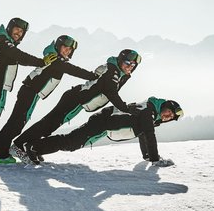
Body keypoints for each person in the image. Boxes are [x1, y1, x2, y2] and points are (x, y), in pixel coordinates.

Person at [11, 49, 141, 159]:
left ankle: (30, 147)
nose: (130, 66)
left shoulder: (118, 73)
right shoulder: (113, 72)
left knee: (49, 125)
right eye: (127, 63)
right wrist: (126, 108)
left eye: (133, 65)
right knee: (48, 124)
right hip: (75, 99)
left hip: (76, 99)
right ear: (120, 60)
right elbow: (111, 92)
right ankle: (18, 146)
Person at [0, 35, 98, 160]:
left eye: (70, 50)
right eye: (65, 47)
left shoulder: (55, 57)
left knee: (16, 123)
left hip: (30, 93)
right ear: (58, 46)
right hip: (30, 92)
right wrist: (93, 76)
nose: (67, 51)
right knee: (15, 124)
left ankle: (2, 152)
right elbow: (73, 70)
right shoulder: (55, 60)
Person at [0, 17, 55, 164]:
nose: (18, 33)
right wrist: (41, 62)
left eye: (21, 31)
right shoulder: (4, 42)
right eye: (16, 29)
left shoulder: (4, 41)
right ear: (9, 28)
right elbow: (20, 57)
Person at [13, 97, 183, 167]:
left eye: (171, 117)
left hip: (105, 122)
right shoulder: (150, 112)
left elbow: (144, 134)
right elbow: (149, 135)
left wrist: (147, 156)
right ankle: (33, 147)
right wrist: (154, 160)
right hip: (103, 122)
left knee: (72, 141)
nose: (167, 116)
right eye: (168, 112)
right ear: (165, 105)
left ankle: (35, 147)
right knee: (72, 142)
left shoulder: (152, 113)